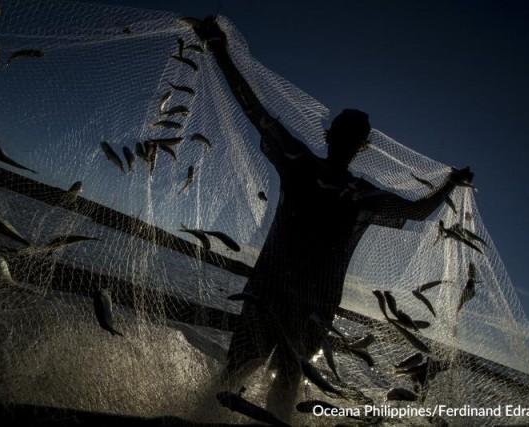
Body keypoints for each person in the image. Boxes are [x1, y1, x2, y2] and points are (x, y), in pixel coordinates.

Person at [192, 17, 473, 416]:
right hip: (302, 300)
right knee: (283, 377)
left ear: (337, 137)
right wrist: (450, 183)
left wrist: (219, 49)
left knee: (253, 370)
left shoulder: (303, 165)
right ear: (361, 146)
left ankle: (205, 417)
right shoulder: (355, 192)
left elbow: (253, 108)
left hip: (285, 294)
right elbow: (418, 210)